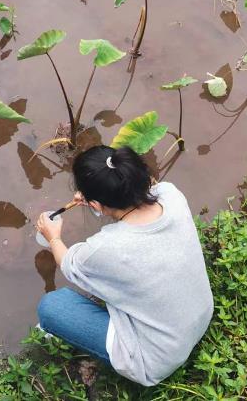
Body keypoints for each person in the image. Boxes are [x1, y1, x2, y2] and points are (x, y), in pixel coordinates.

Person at [35, 145, 214, 387]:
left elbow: (68, 264)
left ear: (96, 205)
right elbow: (149, 185)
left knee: (52, 307)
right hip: (200, 316)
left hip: (157, 360)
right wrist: (98, 197)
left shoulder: (104, 249)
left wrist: (53, 237)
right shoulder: (171, 195)